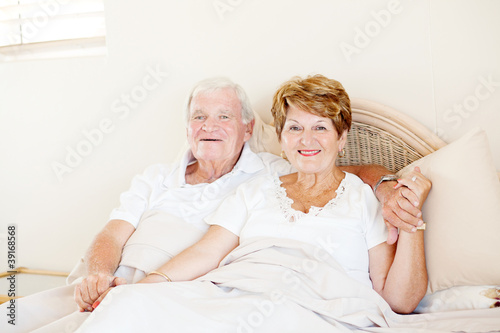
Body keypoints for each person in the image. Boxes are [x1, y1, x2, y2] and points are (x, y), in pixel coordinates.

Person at [0, 77, 427, 333]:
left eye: (321, 128)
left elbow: (400, 300)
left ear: (342, 137)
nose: (307, 140)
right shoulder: (260, 187)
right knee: (124, 306)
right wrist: (135, 290)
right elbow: (205, 253)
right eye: (294, 127)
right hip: (231, 293)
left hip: (304, 306)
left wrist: (406, 212)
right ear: (280, 137)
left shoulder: (363, 197)